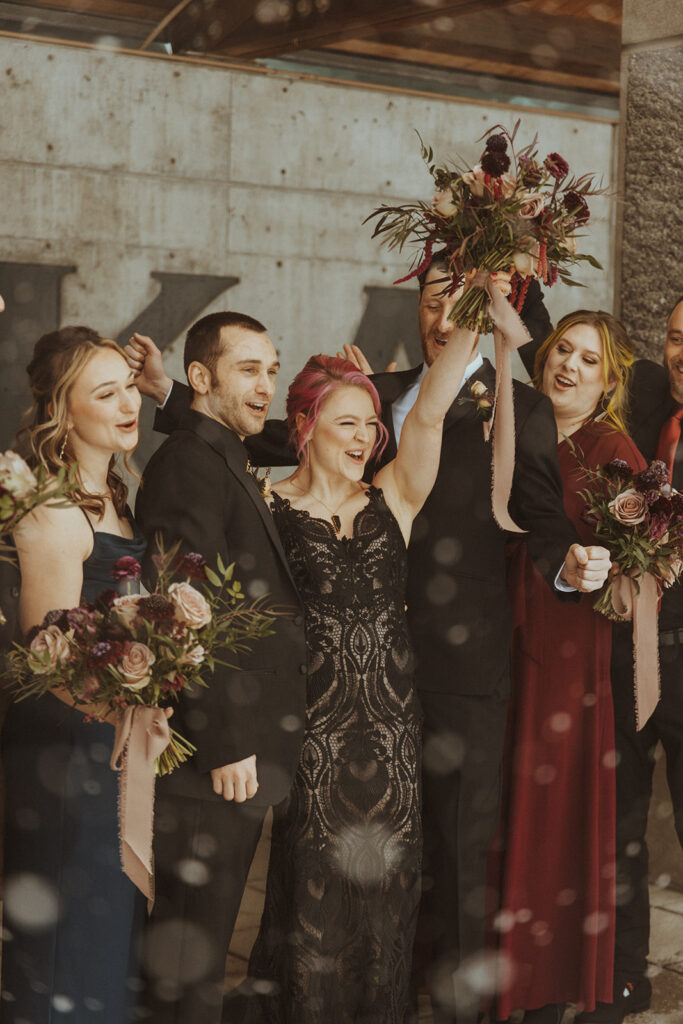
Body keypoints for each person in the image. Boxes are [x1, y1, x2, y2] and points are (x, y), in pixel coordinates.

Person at [126, 261, 611, 1024]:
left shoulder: (397, 489)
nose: (361, 435)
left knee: (391, 902)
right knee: (311, 900)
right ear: (310, 427)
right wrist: (171, 397)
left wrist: (464, 329)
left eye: (366, 424)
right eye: (342, 422)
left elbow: (421, 425)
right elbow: (226, 489)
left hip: (394, 727)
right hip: (313, 731)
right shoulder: (268, 507)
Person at [133, 311, 307, 1024]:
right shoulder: (187, 464)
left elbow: (286, 436)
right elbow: (181, 606)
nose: (266, 384)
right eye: (248, 369)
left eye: (272, 368)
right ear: (202, 377)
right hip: (215, 758)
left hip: (240, 750)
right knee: (188, 955)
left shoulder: (221, 450)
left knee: (197, 951)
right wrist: (226, 737)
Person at [491, 311, 646, 1024]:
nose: (569, 368)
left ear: (608, 381)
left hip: (566, 651)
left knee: (552, 808)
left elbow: (648, 560)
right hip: (506, 635)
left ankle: (545, 979)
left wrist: (614, 576)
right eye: (562, 352)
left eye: (588, 361)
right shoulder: (516, 426)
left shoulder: (610, 451)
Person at [1, 326, 146, 1023]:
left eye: (128, 385)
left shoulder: (117, 492)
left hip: (111, 747)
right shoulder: (54, 512)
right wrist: (131, 697)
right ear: (62, 410)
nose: (128, 404)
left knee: (104, 932)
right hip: (67, 754)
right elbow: (45, 662)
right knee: (67, 936)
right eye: (105, 392)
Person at [572, 297, 683, 1024]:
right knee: (620, 823)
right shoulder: (643, 397)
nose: (681, 353)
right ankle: (622, 978)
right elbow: (555, 360)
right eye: (676, 338)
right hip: (633, 651)